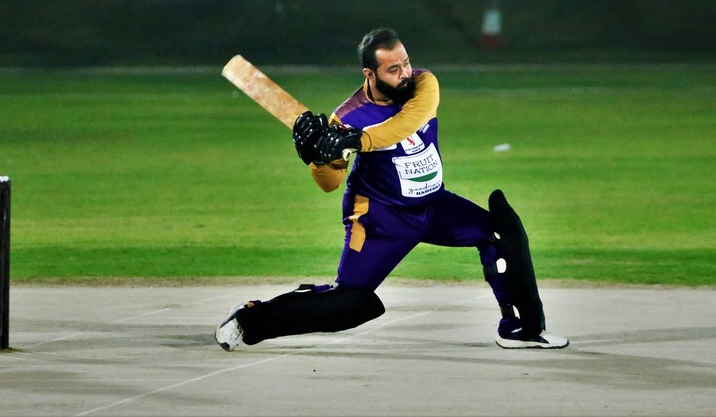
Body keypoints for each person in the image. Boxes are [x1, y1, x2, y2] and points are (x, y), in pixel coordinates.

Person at [215, 28, 567, 350]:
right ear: (370, 74)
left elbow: (404, 125)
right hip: (380, 218)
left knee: (501, 232)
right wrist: (318, 157)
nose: (405, 73)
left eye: (406, 63)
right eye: (393, 69)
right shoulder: (347, 117)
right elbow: (329, 184)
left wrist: (355, 140)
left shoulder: (423, 84)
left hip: (433, 206)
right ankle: (249, 319)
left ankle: (520, 328)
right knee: (350, 303)